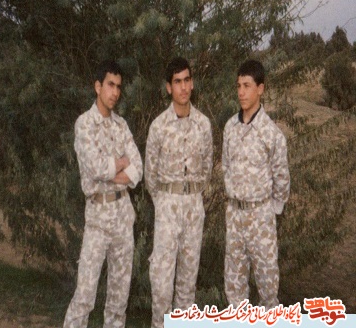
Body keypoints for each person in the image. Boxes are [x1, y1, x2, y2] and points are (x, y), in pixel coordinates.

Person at [63, 60, 143, 328]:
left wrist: (111, 171)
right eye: (110, 85)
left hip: (122, 217)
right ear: (98, 87)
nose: (115, 92)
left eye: (119, 87)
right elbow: (95, 168)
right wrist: (121, 163)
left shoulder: (121, 125)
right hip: (98, 218)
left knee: (119, 299)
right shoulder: (85, 124)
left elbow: (138, 170)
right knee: (85, 296)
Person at [145, 57, 213, 328]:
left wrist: (191, 196)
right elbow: (150, 175)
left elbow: (207, 169)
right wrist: (165, 202)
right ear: (168, 87)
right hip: (167, 208)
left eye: (187, 80)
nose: (183, 87)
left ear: (192, 83)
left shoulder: (203, 125)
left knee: (187, 285)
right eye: (177, 82)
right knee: (162, 285)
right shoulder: (159, 126)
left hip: (194, 208)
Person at [222, 59, 290, 309]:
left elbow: (282, 178)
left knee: (268, 288)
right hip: (235, 216)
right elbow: (226, 166)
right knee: (234, 289)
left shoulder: (271, 134)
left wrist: (271, 210)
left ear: (260, 89)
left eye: (247, 86)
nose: (241, 92)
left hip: (261, 218)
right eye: (238, 85)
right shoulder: (230, 127)